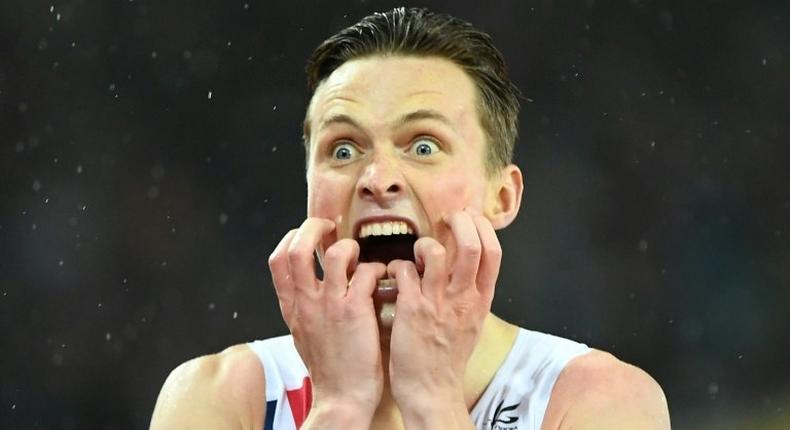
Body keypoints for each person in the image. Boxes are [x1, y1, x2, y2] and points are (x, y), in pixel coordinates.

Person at [150, 7, 670, 430]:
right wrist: (339, 408)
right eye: (343, 149)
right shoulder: (217, 398)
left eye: (424, 145)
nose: (377, 177)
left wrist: (433, 403)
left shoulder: (595, 401)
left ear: (503, 196)